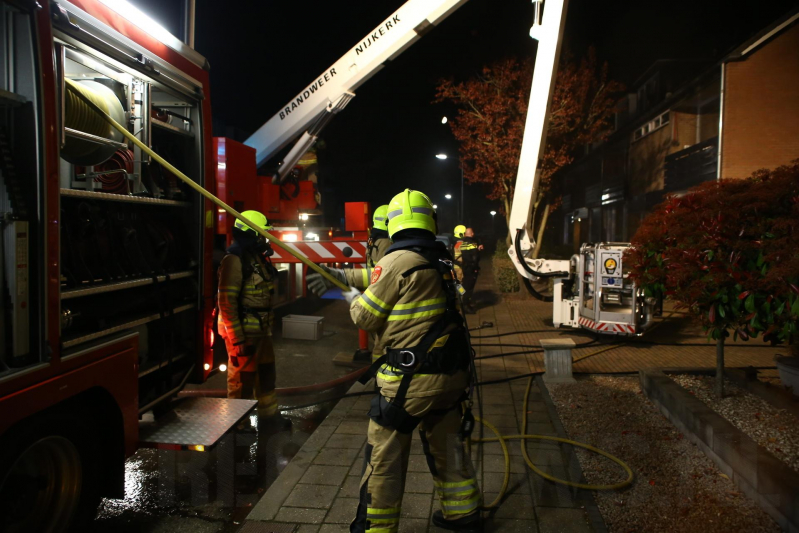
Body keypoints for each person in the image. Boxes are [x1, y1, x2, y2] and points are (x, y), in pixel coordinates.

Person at [345, 189, 481, 533]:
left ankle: (376, 527)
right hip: (450, 377)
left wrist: (351, 294)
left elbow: (365, 317)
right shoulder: (442, 259)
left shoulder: (396, 261)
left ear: (393, 224)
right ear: (429, 220)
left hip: (409, 383)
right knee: (448, 446)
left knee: (385, 458)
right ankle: (463, 514)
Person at [217, 211, 291, 429]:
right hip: (243, 334)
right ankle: (238, 426)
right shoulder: (234, 260)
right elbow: (226, 302)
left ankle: (269, 418)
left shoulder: (256, 259)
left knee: (267, 375)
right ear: (252, 234)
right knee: (242, 381)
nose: (266, 239)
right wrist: (237, 339)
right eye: (263, 234)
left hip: (261, 332)